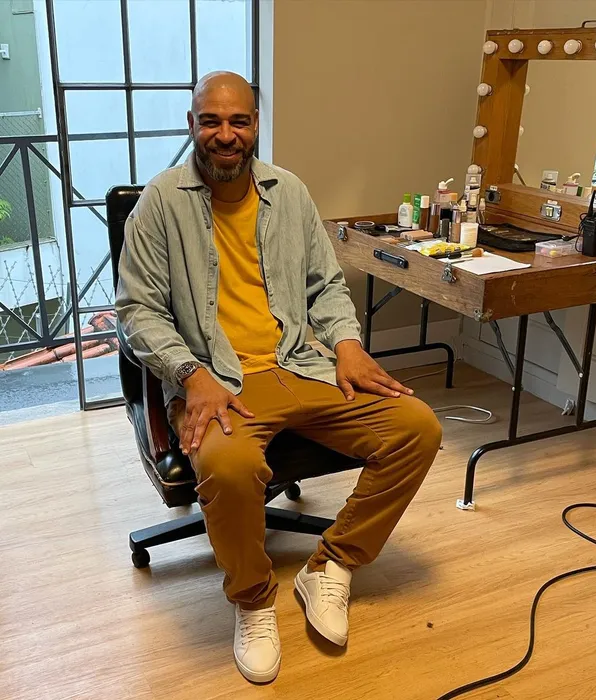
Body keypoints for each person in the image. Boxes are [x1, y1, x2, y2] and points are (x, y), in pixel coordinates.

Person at [116, 71, 442, 684]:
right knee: (229, 466)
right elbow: (137, 312)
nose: (225, 134)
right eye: (211, 121)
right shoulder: (160, 203)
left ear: (256, 124)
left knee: (416, 428)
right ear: (191, 125)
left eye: (238, 120)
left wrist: (347, 344)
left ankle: (332, 566)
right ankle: (253, 599)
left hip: (298, 362)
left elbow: (325, 285)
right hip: (217, 378)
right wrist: (189, 373)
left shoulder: (288, 192)